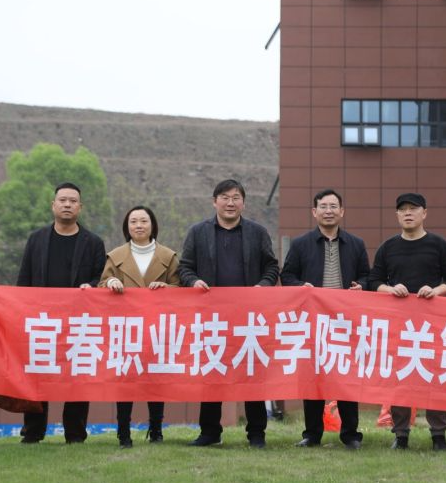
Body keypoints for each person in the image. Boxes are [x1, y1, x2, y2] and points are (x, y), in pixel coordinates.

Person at [177, 179, 280, 448]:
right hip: (212, 317)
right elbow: (184, 268)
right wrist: (193, 282)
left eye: (236, 197)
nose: (230, 203)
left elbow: (272, 267)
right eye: (224, 197)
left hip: (249, 318)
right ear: (215, 202)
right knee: (213, 373)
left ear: (243, 203)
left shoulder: (257, 232)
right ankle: (210, 432)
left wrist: (262, 286)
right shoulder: (198, 232)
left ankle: (256, 433)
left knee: (252, 373)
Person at [369, 192, 446, 452]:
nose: (408, 213)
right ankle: (400, 434)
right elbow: (373, 281)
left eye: (413, 208)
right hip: (398, 324)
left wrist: (436, 290)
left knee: (434, 377)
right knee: (400, 377)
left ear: (424, 213)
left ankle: (438, 434)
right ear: (397, 215)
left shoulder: (438, 245)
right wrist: (390, 289)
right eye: (403, 209)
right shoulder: (388, 247)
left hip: (432, 323)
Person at [16, 182, 106, 444]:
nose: (67, 205)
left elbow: (100, 279)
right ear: (53, 205)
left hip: (79, 322)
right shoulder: (36, 239)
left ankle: (75, 433)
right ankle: (33, 432)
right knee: (37, 375)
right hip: (42, 320)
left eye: (73, 201)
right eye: (63, 200)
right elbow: (24, 280)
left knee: (77, 376)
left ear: (80, 207)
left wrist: (91, 287)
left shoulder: (93, 243)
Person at [281, 189, 369, 451]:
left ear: (341, 211)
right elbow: (287, 276)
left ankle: (350, 434)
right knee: (313, 377)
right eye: (323, 206)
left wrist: (362, 286)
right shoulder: (301, 244)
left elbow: (367, 275)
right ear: (314, 211)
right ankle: (312, 434)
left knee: (346, 375)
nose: (328, 211)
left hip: (346, 321)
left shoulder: (356, 244)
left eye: (333, 206)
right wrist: (301, 287)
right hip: (313, 322)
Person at [99, 205, 180, 449]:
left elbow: (181, 288)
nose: (139, 225)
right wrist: (111, 282)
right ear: (127, 227)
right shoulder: (115, 256)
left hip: (158, 328)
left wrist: (166, 288)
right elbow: (102, 284)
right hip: (126, 328)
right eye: (133, 221)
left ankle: (156, 429)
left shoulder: (168, 256)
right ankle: (123, 432)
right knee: (125, 380)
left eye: (144, 221)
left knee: (156, 378)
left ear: (153, 225)